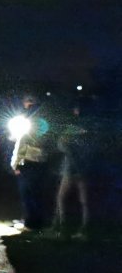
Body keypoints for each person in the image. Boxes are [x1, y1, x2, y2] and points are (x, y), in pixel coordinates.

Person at [9, 94, 50, 230]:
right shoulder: (44, 122)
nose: (25, 104)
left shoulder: (28, 123)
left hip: (29, 163)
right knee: (36, 193)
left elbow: (22, 146)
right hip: (41, 163)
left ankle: (30, 222)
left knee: (27, 193)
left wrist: (15, 164)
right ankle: (35, 221)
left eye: (28, 102)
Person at [55, 102, 92, 238]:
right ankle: (84, 229)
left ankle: (64, 228)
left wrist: (66, 146)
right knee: (84, 200)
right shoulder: (91, 127)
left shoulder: (72, 128)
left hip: (72, 169)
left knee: (62, 198)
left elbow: (61, 144)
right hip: (84, 168)